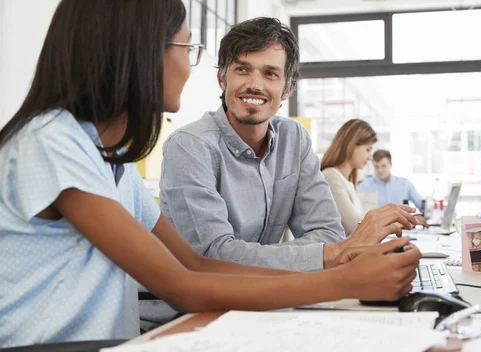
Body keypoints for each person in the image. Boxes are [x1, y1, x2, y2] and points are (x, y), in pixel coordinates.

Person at [0, 0, 422, 348]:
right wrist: (341, 280)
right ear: (141, 53)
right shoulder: (51, 142)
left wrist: (340, 271)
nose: (189, 62)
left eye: (270, 73)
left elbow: (197, 264)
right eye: (186, 47)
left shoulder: (112, 160)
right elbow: (183, 286)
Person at [158, 16, 420, 273]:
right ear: (222, 79)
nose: (254, 85)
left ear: (287, 90)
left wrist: (326, 252)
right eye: (242, 69)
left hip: (262, 300)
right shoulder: (189, 147)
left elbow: (328, 232)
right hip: (191, 310)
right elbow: (213, 257)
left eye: (270, 74)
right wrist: (328, 254)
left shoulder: (294, 139)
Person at [320, 119, 377, 236]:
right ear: (352, 145)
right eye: (368, 149)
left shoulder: (349, 181)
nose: (370, 157)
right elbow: (356, 227)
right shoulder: (331, 177)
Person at [359, 150, 424, 209]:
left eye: (383, 166)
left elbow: (422, 205)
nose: (380, 170)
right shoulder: (363, 186)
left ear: (390, 165)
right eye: (376, 166)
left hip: (401, 222)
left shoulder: (405, 184)